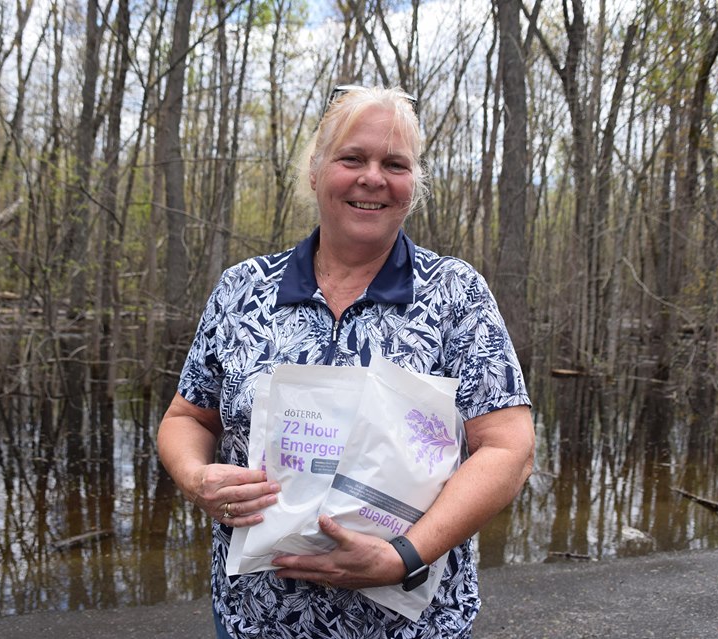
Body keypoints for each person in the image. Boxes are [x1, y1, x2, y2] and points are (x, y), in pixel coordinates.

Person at [156, 85, 535, 639]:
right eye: (352, 158)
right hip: (258, 619)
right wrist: (196, 478)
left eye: (395, 164)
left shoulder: (455, 295)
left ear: (414, 184)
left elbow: (509, 449)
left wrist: (404, 555)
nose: (373, 177)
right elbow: (186, 418)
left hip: (411, 624)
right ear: (315, 170)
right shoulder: (244, 290)